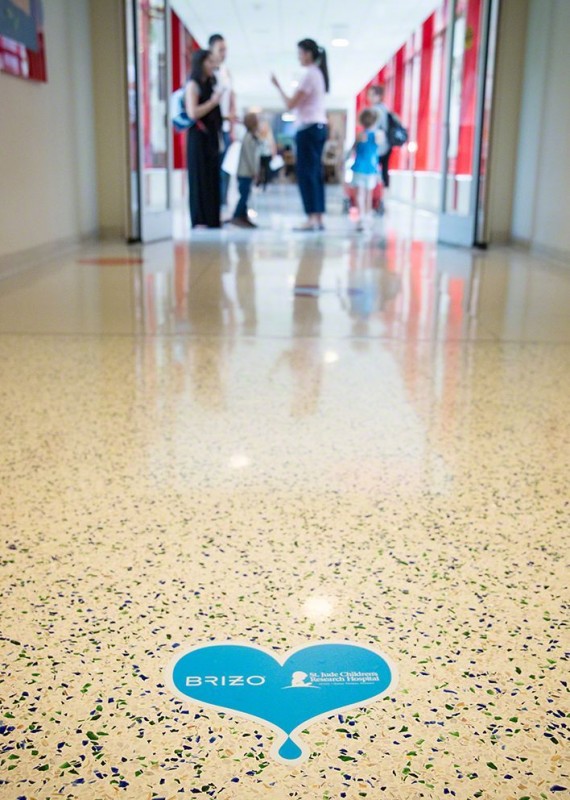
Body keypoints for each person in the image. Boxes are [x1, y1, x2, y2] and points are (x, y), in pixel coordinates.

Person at [271, 38, 329, 231]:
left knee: (307, 173)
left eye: (300, 53)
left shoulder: (310, 75)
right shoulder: (318, 74)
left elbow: (290, 104)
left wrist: (278, 86)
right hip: (318, 127)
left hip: (309, 129)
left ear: (308, 53)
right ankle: (317, 217)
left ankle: (312, 217)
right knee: (315, 173)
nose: (298, 57)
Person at [185, 49, 224, 229]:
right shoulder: (193, 85)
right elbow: (193, 113)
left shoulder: (211, 84)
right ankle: (199, 218)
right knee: (199, 176)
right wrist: (213, 103)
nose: (212, 65)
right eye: (209, 62)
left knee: (212, 176)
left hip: (211, 137)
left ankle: (212, 217)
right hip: (198, 137)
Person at [209, 34, 236, 208]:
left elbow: (232, 98)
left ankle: (222, 203)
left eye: (225, 49)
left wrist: (232, 126)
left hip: (225, 128)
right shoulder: (208, 73)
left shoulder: (226, 73)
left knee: (225, 169)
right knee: (213, 168)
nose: (224, 53)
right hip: (212, 128)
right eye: (221, 49)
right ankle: (213, 204)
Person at [351, 108, 382, 231]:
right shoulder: (377, 136)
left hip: (359, 168)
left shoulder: (360, 135)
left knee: (359, 194)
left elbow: (352, 150)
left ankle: (362, 217)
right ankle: (367, 217)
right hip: (371, 169)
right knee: (368, 195)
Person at [230, 112, 261, 229]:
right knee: (243, 195)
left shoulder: (251, 136)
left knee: (246, 195)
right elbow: (250, 157)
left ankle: (243, 216)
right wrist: (255, 172)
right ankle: (237, 215)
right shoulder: (248, 137)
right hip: (245, 173)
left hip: (246, 172)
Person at [367, 84, 391, 189]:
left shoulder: (376, 110)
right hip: (387, 144)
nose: (370, 98)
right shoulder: (385, 108)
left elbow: (374, 128)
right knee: (384, 169)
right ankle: (383, 196)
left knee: (374, 170)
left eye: (372, 95)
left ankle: (376, 196)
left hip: (378, 145)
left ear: (378, 96)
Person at [257, 120, 276, 190]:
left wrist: (274, 155)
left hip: (267, 155)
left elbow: (273, 145)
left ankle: (265, 184)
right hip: (260, 155)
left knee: (266, 170)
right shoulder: (259, 135)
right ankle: (258, 182)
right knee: (260, 169)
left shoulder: (269, 136)